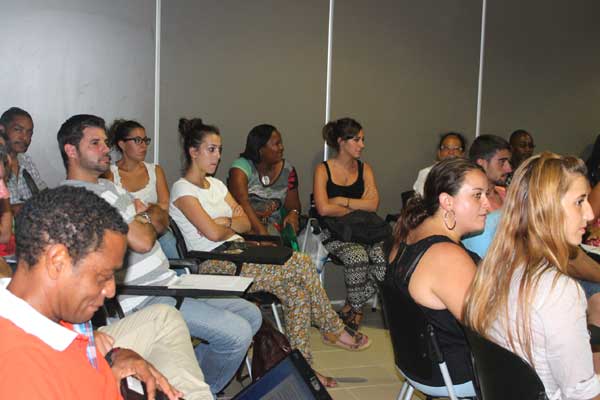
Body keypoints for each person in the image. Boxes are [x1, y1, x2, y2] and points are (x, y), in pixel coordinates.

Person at [57, 114, 262, 396]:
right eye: (95, 143)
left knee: (252, 314)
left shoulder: (108, 186)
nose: (105, 149)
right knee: (237, 334)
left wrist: (144, 217)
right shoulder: (77, 198)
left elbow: (161, 219)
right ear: (71, 150)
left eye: (105, 142)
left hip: (171, 282)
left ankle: (188, 380)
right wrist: (144, 216)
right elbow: (143, 240)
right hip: (145, 296)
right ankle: (205, 390)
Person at [169, 117, 372, 388]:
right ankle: (333, 328)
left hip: (239, 254)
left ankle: (305, 370)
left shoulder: (216, 186)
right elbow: (214, 234)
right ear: (193, 152)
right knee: (301, 263)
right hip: (213, 264)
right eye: (211, 149)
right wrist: (226, 225)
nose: (217, 156)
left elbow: (242, 222)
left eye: (219, 149)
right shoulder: (182, 188)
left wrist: (223, 223)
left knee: (297, 293)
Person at [0, 185, 185, 400]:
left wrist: (114, 356)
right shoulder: (21, 372)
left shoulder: (55, 311)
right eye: (103, 277)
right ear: (57, 261)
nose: (111, 291)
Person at [464, 152, 600, 400]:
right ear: (546, 209)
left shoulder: (496, 268)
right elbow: (583, 395)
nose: (590, 214)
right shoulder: (558, 291)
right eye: (579, 202)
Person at [385, 157, 489, 396]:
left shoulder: (407, 235)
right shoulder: (446, 256)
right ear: (446, 201)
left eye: (487, 194)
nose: (487, 204)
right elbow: (486, 329)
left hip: (417, 366)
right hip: (452, 371)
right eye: (477, 195)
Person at [312, 117, 385, 331]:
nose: (362, 145)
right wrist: (357, 207)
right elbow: (323, 209)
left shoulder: (365, 169)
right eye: (357, 140)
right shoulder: (323, 169)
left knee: (383, 260)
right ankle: (357, 311)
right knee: (357, 256)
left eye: (363, 139)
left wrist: (340, 201)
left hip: (363, 231)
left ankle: (351, 305)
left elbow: (373, 205)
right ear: (341, 141)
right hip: (334, 233)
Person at [104, 119, 177, 258]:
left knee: (168, 241)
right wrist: (151, 210)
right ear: (122, 144)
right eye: (137, 140)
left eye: (145, 140)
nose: (143, 146)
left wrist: (138, 213)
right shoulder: (110, 174)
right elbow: (114, 213)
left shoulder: (155, 170)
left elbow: (166, 206)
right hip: (130, 235)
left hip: (159, 231)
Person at [227, 124, 301, 236]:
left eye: (281, 143)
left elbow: (293, 206)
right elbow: (242, 203)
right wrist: (263, 235)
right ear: (261, 150)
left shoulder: (287, 170)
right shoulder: (241, 168)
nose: (281, 147)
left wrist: (293, 214)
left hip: (274, 229)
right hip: (246, 228)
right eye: (276, 144)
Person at [0, 107, 47, 213]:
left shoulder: (26, 161)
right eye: (18, 130)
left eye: (29, 133)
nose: (25, 138)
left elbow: (43, 194)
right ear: (2, 130)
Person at [413, 132, 467, 196]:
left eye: (456, 149)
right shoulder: (426, 174)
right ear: (439, 153)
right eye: (446, 148)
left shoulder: (469, 175)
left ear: (463, 154)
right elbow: (424, 199)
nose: (451, 152)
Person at [468, 134, 513, 211]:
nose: (509, 169)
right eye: (502, 162)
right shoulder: (469, 200)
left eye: (508, 162)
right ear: (481, 163)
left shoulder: (508, 195)